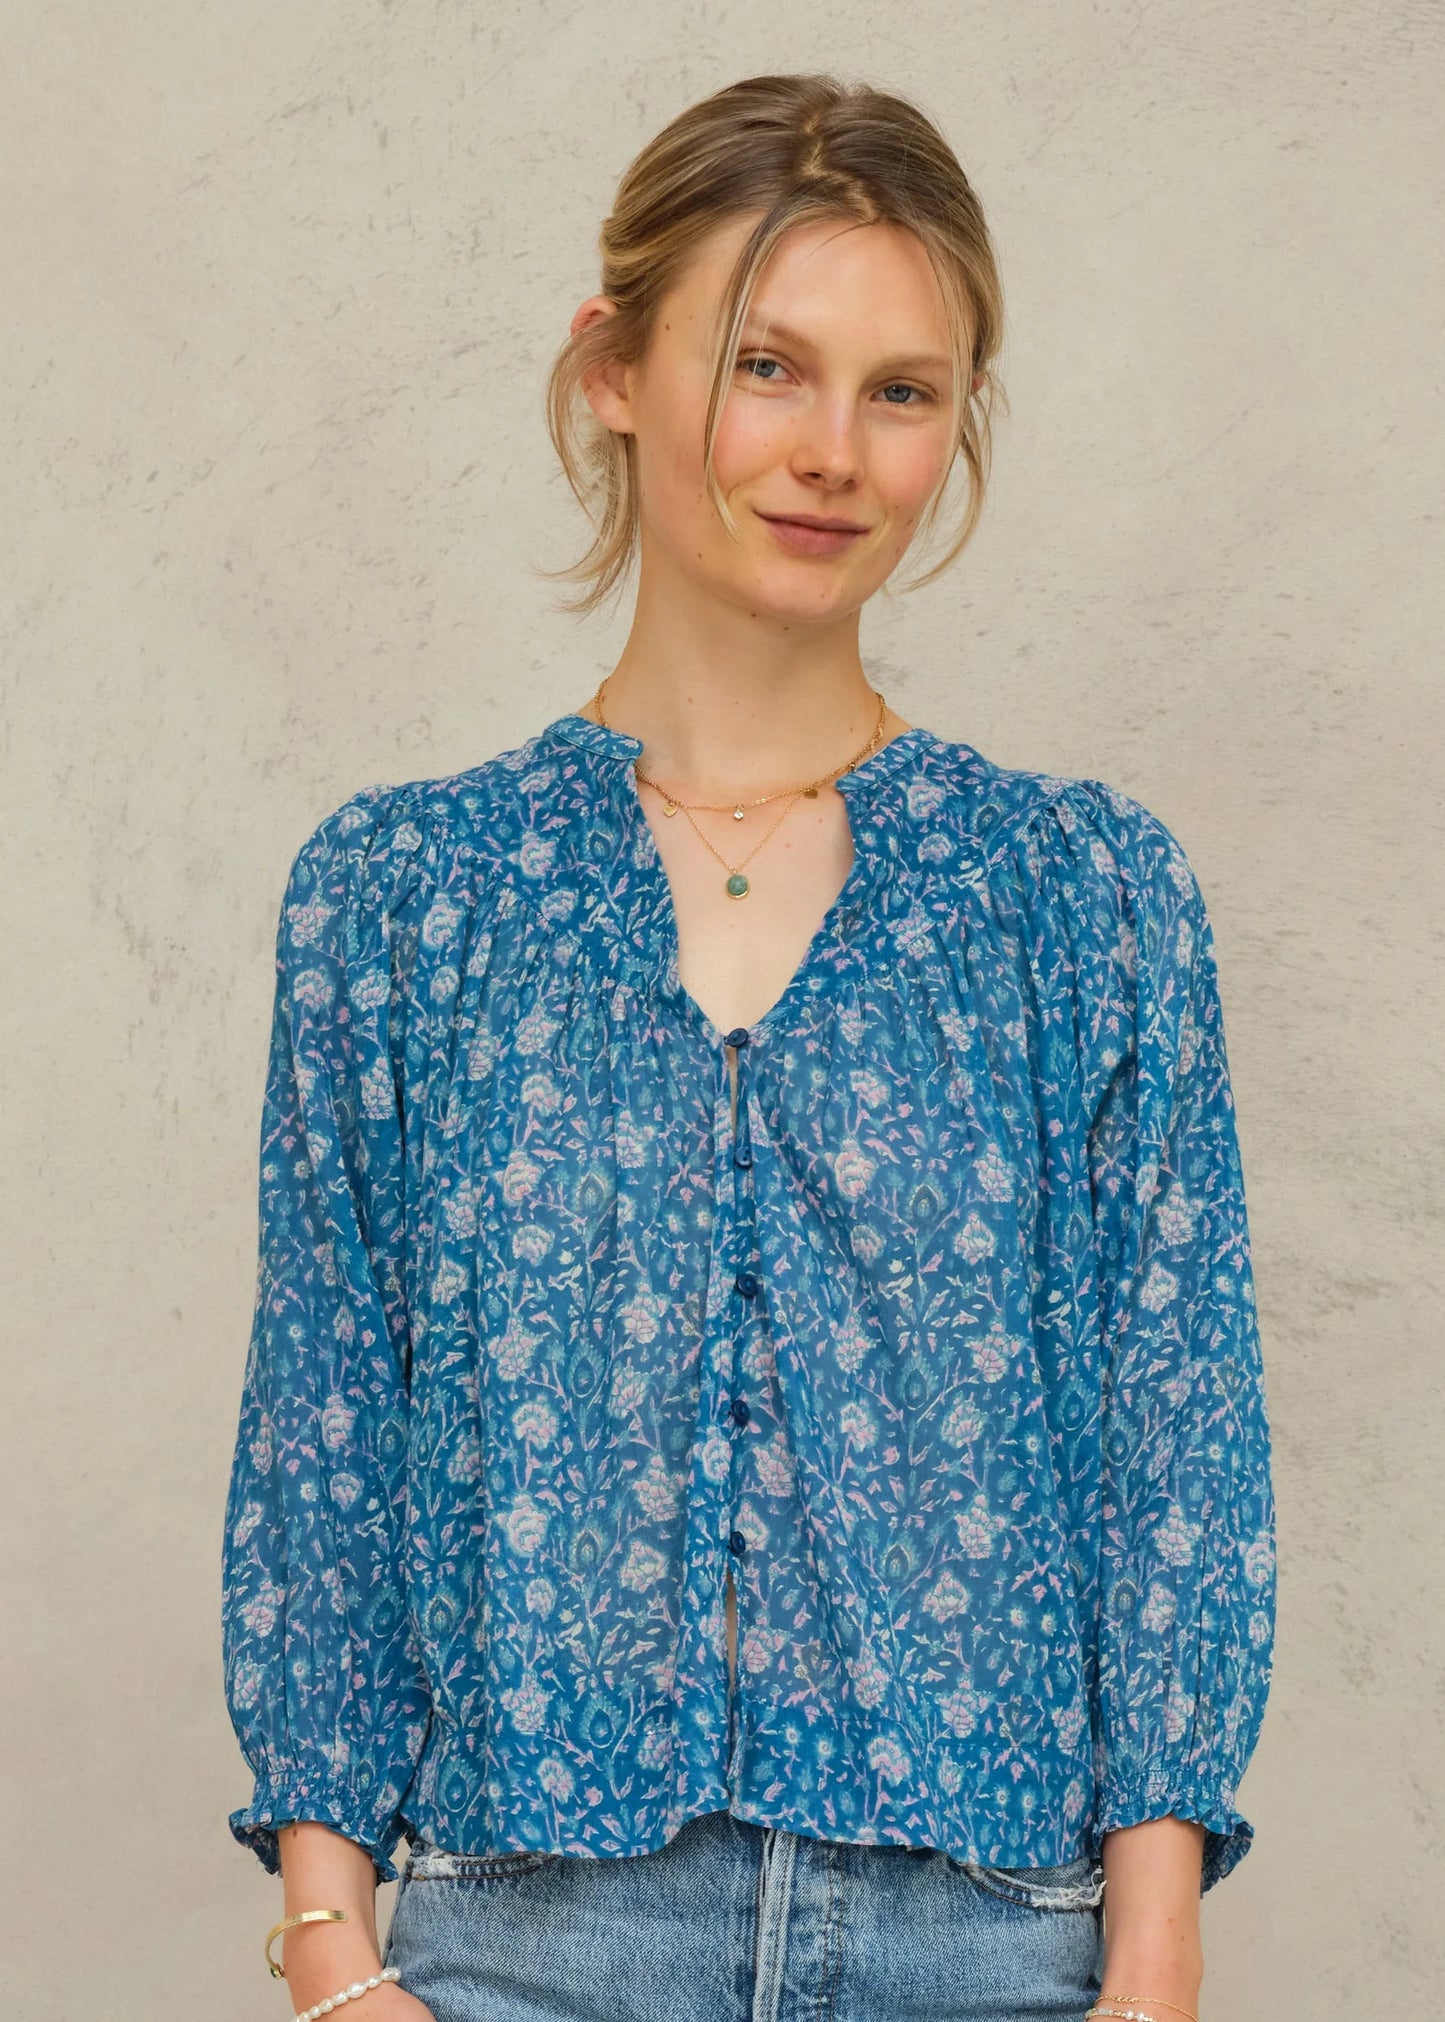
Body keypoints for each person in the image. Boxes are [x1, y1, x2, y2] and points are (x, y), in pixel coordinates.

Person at [221, 71, 1277, 2022]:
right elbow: (326, 1430)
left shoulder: (1080, 900)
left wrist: (1153, 1952)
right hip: (523, 1935)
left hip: (992, 1942)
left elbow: (1171, 1429)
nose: (834, 456)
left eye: (903, 391)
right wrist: (330, 1949)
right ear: (614, 366)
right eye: (771, 367)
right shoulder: (406, 899)